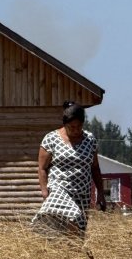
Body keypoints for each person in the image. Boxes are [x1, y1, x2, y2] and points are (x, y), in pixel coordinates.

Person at [32, 101, 106, 236]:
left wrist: (100, 192)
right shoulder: (51, 139)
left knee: (78, 231)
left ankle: (71, 253)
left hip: (82, 192)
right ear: (64, 124)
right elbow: (42, 168)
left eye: (79, 126)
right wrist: (44, 191)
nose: (76, 130)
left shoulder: (90, 140)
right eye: (72, 127)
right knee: (74, 216)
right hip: (59, 188)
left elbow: (95, 168)